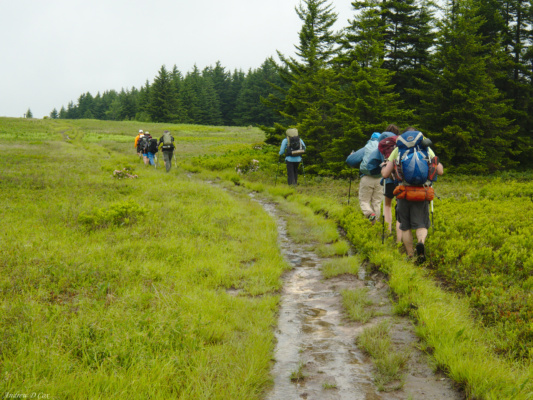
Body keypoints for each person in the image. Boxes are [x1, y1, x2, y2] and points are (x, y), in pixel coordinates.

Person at [381, 127, 444, 262]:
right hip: (422, 192)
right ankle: (420, 242)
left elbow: (386, 174)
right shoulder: (425, 148)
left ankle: (410, 255)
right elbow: (440, 171)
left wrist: (383, 167)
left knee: (405, 226)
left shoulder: (398, 149)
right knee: (421, 224)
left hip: (403, 192)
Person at [347, 132, 383, 224]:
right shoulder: (383, 148)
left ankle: (370, 214)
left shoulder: (366, 148)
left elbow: (350, 160)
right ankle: (375, 224)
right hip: (380, 178)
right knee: (377, 202)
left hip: (366, 177)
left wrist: (352, 155)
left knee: (364, 201)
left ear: (370, 139)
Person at [378, 124, 402, 242]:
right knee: (399, 206)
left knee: (387, 205)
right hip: (399, 178)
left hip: (388, 180)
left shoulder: (383, 144)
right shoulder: (400, 143)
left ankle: (388, 231)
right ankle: (399, 238)